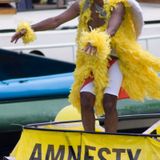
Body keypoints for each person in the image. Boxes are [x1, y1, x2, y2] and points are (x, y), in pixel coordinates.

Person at [11, 0, 160, 133]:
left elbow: (111, 30)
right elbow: (56, 20)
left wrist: (97, 41)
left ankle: (111, 140)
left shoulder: (117, 4)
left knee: (109, 101)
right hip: (94, 61)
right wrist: (30, 29)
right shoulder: (82, 5)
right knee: (86, 99)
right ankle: (90, 140)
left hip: (116, 58)